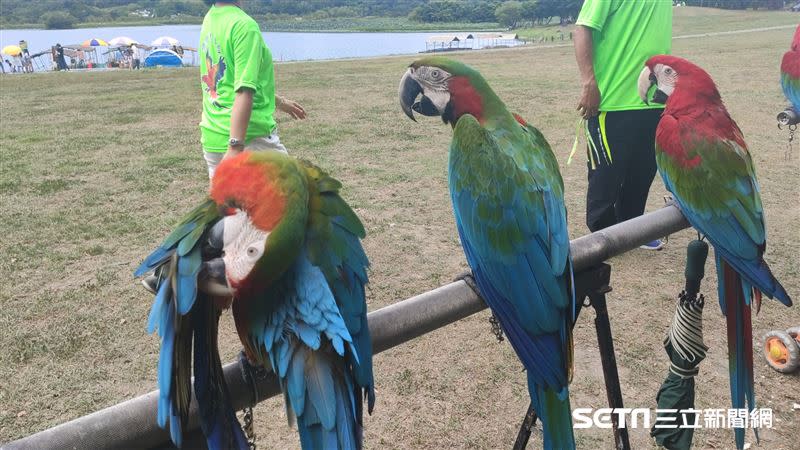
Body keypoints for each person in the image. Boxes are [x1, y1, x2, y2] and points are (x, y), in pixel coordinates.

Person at [573, 0, 672, 250]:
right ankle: (603, 237)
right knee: (605, 176)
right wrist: (588, 82)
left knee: (643, 171)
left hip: (653, 100)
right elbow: (582, 29)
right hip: (612, 102)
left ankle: (633, 227)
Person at [199, 0, 306, 179]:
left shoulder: (211, 18)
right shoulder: (244, 25)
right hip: (250, 141)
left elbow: (233, 81)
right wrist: (235, 146)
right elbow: (244, 91)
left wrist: (279, 102)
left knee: (236, 206)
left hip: (214, 139)